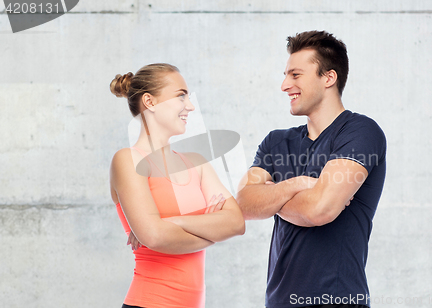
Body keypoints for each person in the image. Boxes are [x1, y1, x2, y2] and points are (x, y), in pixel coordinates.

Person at [236, 31, 386, 308]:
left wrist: (270, 196)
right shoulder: (276, 141)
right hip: (278, 302)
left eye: (295, 75)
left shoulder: (359, 131)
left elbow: (320, 210)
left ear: (328, 78)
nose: (284, 85)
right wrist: (297, 185)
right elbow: (243, 204)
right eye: (285, 75)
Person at [109, 63, 245, 308]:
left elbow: (236, 223)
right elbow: (154, 236)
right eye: (181, 96)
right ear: (150, 102)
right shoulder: (128, 160)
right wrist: (211, 227)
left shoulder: (197, 163)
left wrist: (173, 222)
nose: (190, 106)